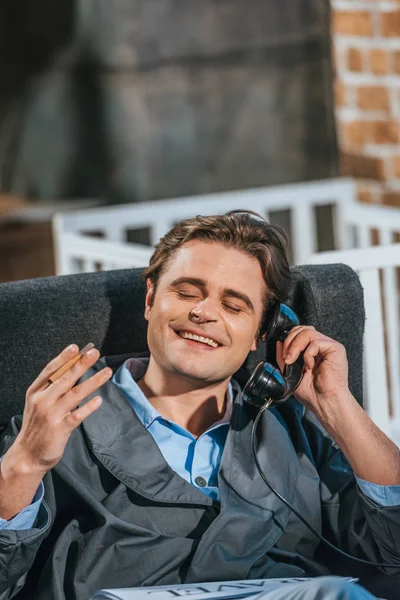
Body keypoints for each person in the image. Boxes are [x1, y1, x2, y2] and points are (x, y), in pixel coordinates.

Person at [0, 211, 399, 600]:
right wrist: (25, 464)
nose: (203, 312)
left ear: (263, 331)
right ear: (151, 298)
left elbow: (392, 552)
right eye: (186, 292)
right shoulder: (54, 420)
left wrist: (337, 405)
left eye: (233, 305)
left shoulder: (290, 429)